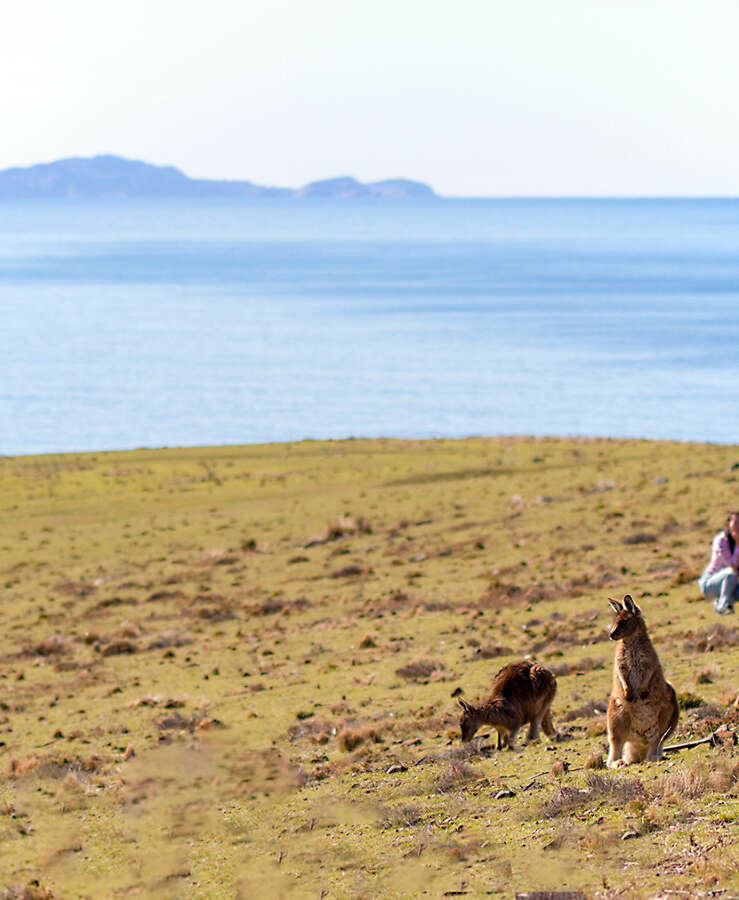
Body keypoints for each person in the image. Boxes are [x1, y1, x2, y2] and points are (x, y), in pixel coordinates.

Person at [698, 512, 739, 614]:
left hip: (731, 582)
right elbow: (731, 565)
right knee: (731, 574)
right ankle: (723, 606)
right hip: (710, 583)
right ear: (728, 524)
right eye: (736, 523)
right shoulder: (721, 540)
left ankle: (720, 601)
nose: (738, 526)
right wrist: (738, 545)